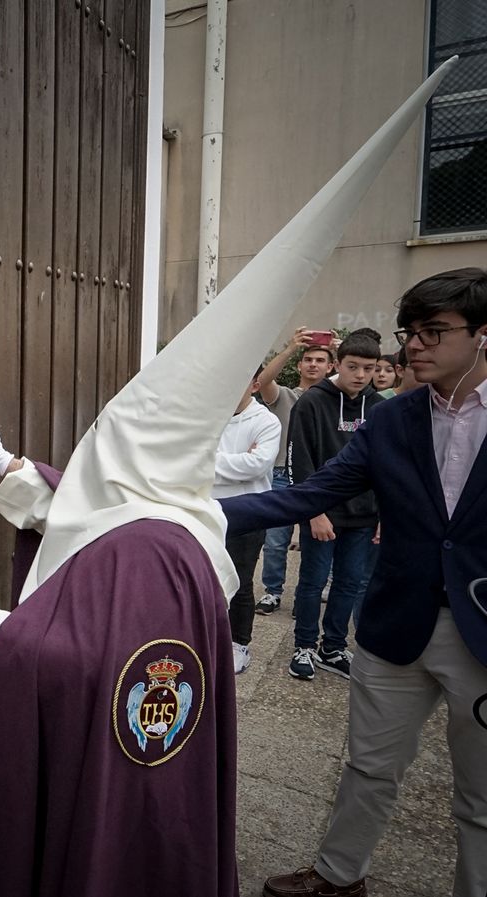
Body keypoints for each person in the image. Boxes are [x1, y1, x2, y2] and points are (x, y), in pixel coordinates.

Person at [0, 65, 451, 897]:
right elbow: (101, 508)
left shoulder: (146, 553)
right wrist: (16, 470)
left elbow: (89, 663)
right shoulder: (174, 518)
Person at [222, 266, 487, 897]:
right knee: (367, 766)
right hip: (395, 623)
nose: (412, 346)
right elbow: (310, 493)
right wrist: (191, 512)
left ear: (484, 335)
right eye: (409, 332)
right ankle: (339, 877)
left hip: (481, 636)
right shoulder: (394, 421)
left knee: (480, 799)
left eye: (432, 331)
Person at [280, 332, 386, 680]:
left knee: (350, 582)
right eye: (352, 366)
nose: (360, 374)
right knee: (312, 582)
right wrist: (314, 511)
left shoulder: (379, 407)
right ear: (337, 364)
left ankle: (333, 647)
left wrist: (384, 514)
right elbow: (300, 461)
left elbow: (388, 465)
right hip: (322, 514)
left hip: (364, 515)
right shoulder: (311, 402)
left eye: (368, 368)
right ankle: (305, 646)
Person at [255, 332, 335, 614]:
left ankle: (317, 589)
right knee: (275, 542)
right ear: (300, 366)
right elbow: (261, 383)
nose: (313, 364)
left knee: (322, 539)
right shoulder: (285, 397)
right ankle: (272, 591)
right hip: (281, 476)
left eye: (320, 360)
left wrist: (340, 350)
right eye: (308, 360)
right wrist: (290, 349)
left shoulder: (334, 400)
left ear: (331, 367)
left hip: (320, 477)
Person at [216, 367, 281, 674]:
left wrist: (207, 459)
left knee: (240, 581)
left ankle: (238, 643)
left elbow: (257, 466)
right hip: (207, 509)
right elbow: (184, 456)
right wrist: (237, 460)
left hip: (249, 511)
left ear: (255, 385)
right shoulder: (208, 416)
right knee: (204, 579)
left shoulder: (266, 421)